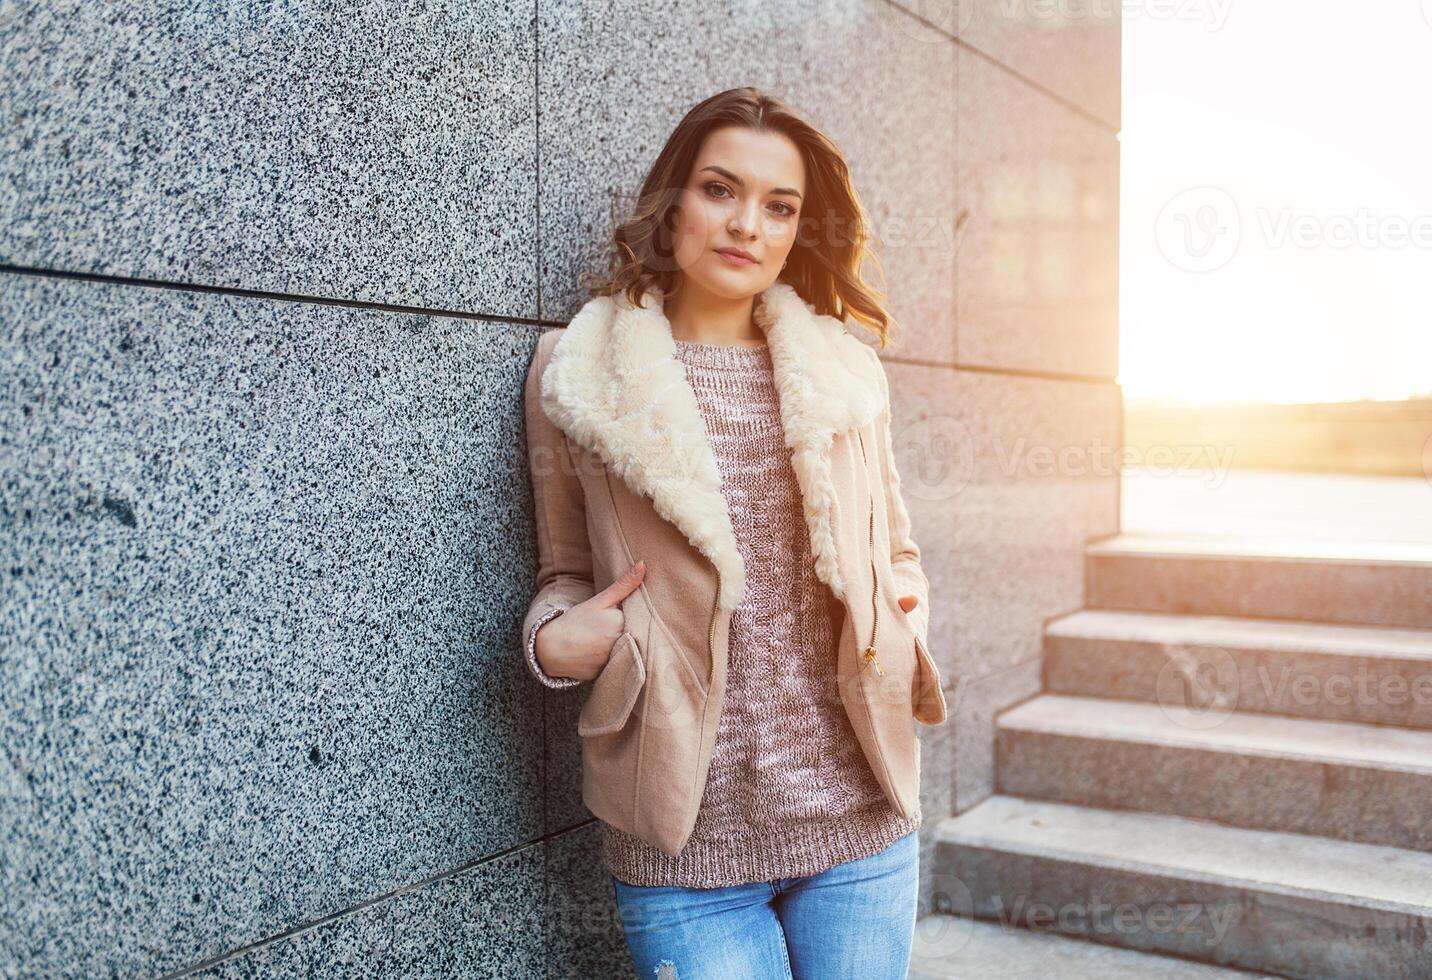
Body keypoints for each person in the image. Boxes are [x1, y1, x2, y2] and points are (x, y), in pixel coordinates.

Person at [520, 85, 947, 979]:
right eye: (721, 190)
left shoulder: (844, 373)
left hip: (858, 822)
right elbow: (564, 569)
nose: (746, 223)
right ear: (675, 200)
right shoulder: (579, 372)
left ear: (799, 230)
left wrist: (901, 609)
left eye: (779, 206)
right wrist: (557, 642)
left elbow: (896, 546)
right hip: (685, 847)